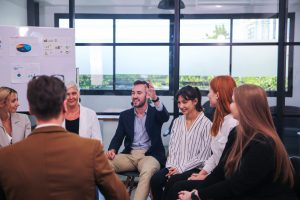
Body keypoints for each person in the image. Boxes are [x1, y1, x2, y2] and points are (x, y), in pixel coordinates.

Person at [0, 75, 129, 200]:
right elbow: (120, 196)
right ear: (63, 106)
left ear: (30, 109)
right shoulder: (91, 150)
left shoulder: (6, 156)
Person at [168, 84, 297, 200]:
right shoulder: (237, 131)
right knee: (179, 189)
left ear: (246, 107)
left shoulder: (263, 144)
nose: (230, 105)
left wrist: (196, 195)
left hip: (259, 195)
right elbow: (221, 170)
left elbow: (236, 185)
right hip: (242, 190)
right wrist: (197, 191)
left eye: (234, 101)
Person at [106, 80, 170, 200]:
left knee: (147, 172)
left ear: (147, 95)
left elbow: (165, 117)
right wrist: (112, 149)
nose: (135, 96)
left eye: (139, 93)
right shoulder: (125, 115)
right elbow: (118, 137)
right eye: (133, 93)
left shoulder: (155, 112)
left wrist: (155, 98)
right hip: (130, 155)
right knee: (102, 164)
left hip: (150, 155)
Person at [150, 85, 212, 200]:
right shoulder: (177, 122)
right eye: (179, 103)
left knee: (173, 182)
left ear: (195, 101)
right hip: (174, 165)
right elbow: (172, 148)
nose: (181, 106)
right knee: (155, 180)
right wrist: (171, 168)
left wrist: (180, 168)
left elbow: (203, 156)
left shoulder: (207, 124)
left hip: (194, 168)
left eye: (184, 102)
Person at [188, 76, 238, 181]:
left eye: (210, 91)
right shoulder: (220, 120)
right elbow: (215, 156)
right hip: (213, 173)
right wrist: (202, 174)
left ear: (218, 95)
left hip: (221, 178)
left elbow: (227, 165)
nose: (208, 95)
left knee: (177, 187)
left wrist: (205, 177)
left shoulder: (233, 124)